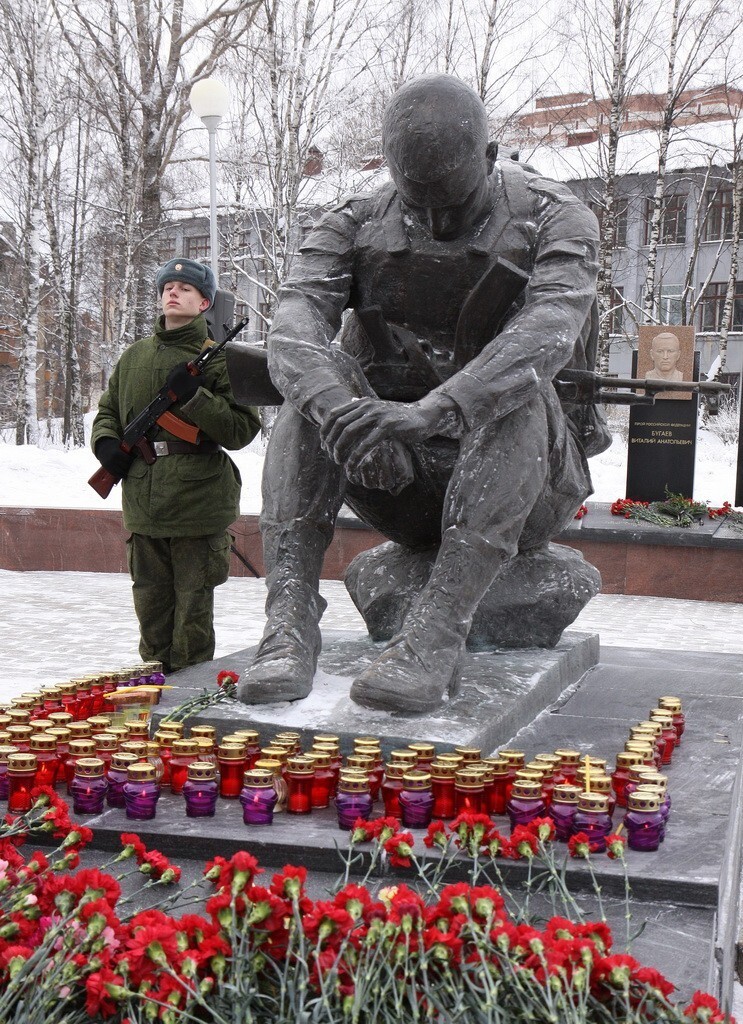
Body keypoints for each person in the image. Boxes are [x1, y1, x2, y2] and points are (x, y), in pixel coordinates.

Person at [237, 73, 609, 713]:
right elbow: (294, 329)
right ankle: (288, 624)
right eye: (418, 206)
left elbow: (550, 329)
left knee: (518, 386)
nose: (435, 224)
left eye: (453, 207)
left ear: (492, 159)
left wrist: (433, 410)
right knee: (310, 402)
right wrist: (345, 417)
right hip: (402, 480)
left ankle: (434, 639)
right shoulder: (351, 223)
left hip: (528, 486)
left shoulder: (557, 214)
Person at [91, 258, 261, 673]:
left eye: (186, 288)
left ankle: (188, 703)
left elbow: (242, 430)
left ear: (204, 303)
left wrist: (194, 398)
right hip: (144, 503)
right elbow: (108, 411)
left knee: (192, 619)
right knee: (150, 611)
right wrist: (107, 444)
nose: (174, 292)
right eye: (168, 286)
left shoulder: (220, 360)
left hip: (197, 503)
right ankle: (152, 693)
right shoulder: (134, 356)